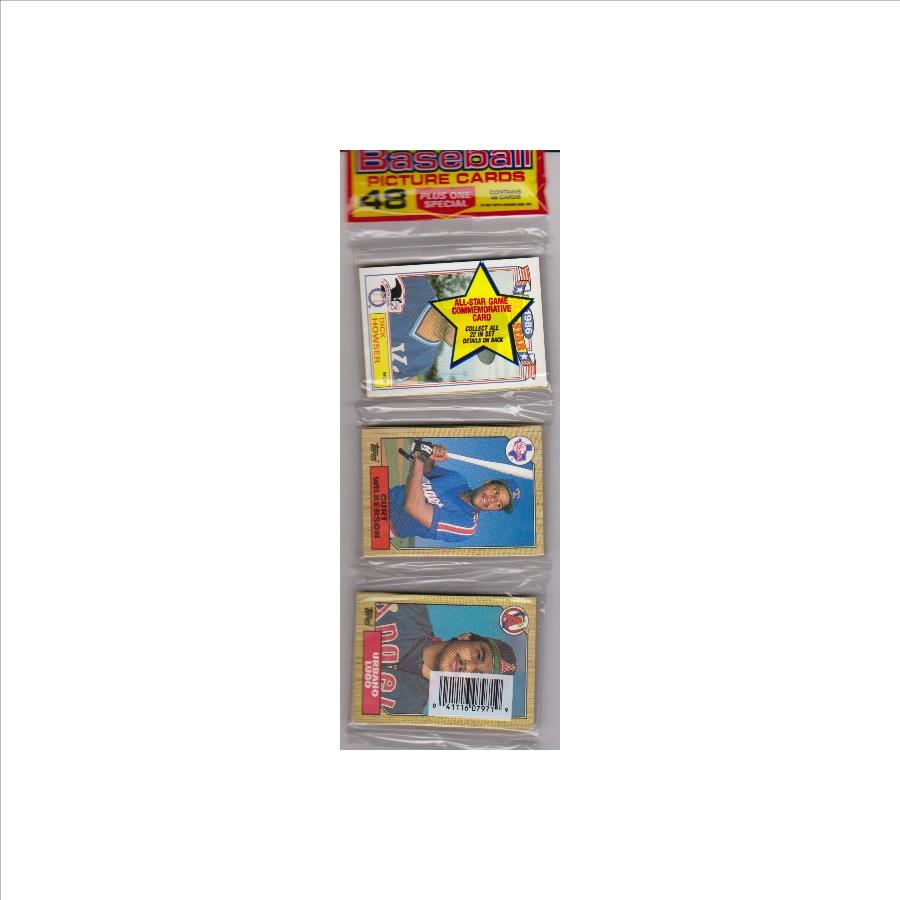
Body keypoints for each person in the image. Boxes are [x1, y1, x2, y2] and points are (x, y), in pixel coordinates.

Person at [373, 602, 517, 715]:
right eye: (478, 655)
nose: (470, 667)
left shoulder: (407, 710)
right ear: (465, 637)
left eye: (477, 676)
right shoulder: (411, 610)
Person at [389, 441, 517, 543]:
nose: (493, 500)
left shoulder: (466, 525)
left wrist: (420, 458)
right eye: (496, 491)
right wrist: (431, 455)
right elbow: (426, 468)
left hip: (385, 526)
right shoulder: (458, 479)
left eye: (499, 504)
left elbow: (413, 506)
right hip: (384, 495)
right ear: (488, 482)